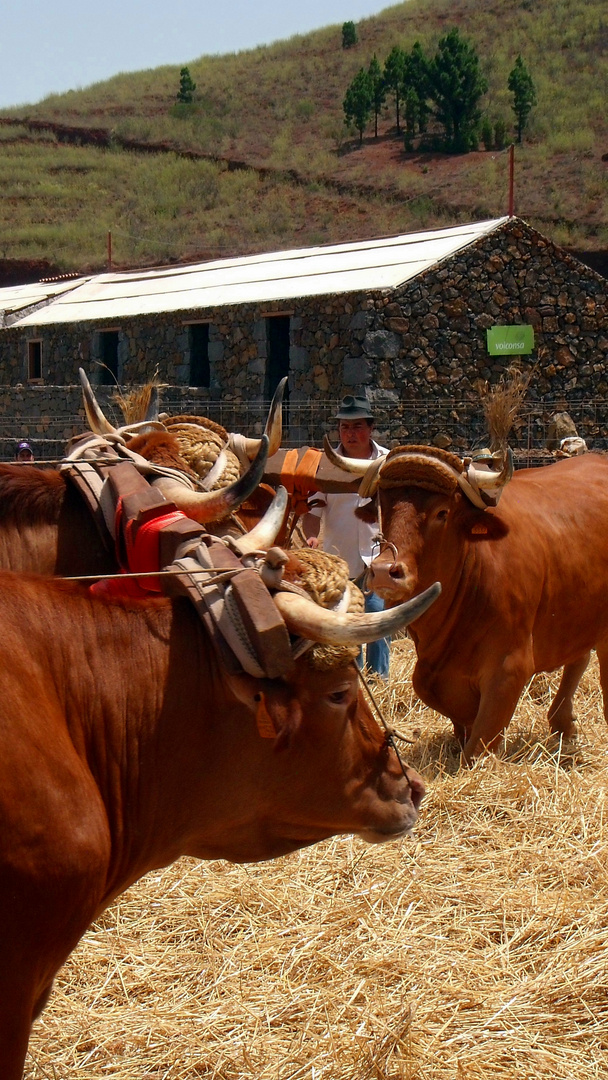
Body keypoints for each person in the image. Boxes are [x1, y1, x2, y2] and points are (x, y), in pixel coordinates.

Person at [303, 395, 390, 680]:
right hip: (339, 559)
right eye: (344, 428)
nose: (351, 434)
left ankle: (381, 683)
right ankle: (354, 682)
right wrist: (312, 538)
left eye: (358, 427)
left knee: (378, 624)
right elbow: (314, 508)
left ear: (371, 429)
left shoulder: (387, 462)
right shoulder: (326, 464)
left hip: (377, 558)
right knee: (347, 626)